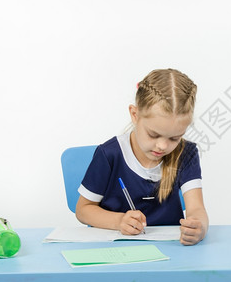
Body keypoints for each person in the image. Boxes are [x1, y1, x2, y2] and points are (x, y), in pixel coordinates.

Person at [75, 68, 208, 246]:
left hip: (172, 252)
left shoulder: (186, 154)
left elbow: (197, 209)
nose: (162, 146)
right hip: (115, 248)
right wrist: (119, 221)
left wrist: (199, 228)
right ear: (135, 115)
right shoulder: (109, 154)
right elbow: (83, 210)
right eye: (153, 135)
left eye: (174, 138)